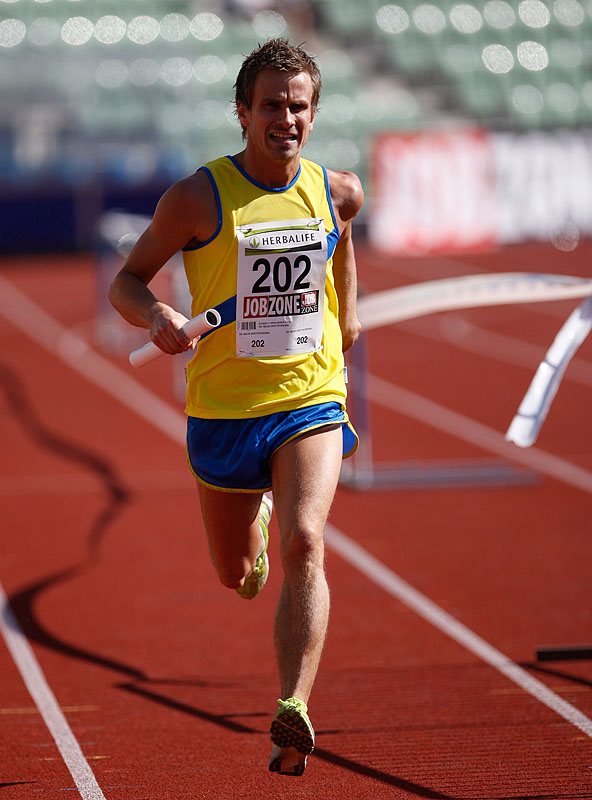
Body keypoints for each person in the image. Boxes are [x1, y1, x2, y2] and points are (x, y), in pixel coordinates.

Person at [108, 38, 363, 777]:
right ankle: (251, 536)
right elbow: (127, 281)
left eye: (299, 105)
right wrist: (156, 314)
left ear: (314, 112)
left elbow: (343, 244)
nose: (287, 118)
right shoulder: (198, 197)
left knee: (306, 540)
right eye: (271, 105)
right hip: (224, 409)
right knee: (238, 573)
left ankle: (294, 707)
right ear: (243, 112)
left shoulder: (337, 191)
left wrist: (347, 318)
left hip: (309, 396)